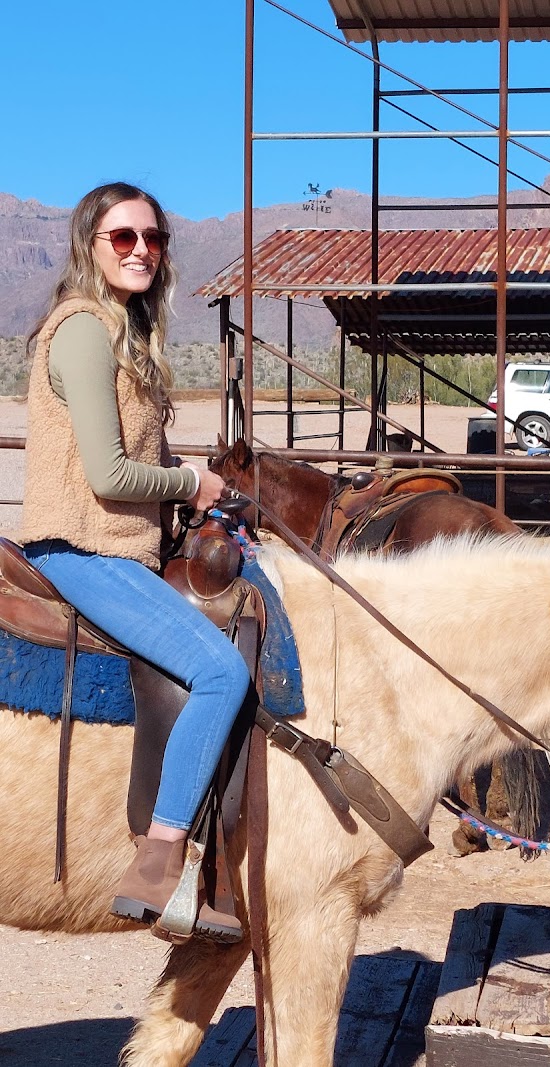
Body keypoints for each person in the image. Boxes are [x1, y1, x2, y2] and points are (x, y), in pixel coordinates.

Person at [17, 182, 250, 943]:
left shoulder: (123, 332)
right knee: (222, 672)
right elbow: (110, 476)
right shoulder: (83, 329)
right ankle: (160, 858)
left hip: (117, 547)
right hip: (82, 549)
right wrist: (193, 483)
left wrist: (189, 479)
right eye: (122, 238)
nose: (142, 248)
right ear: (91, 244)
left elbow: (136, 454)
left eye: (153, 237)